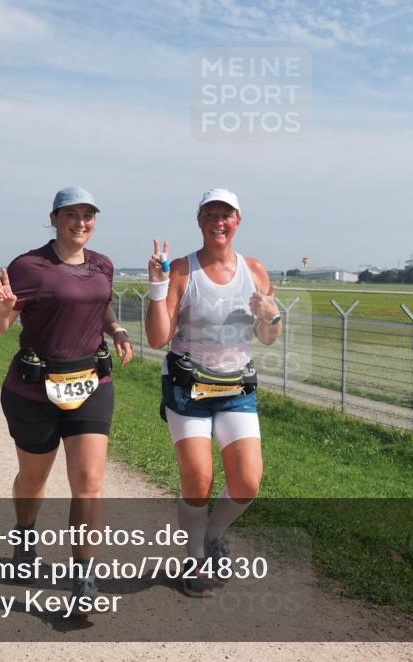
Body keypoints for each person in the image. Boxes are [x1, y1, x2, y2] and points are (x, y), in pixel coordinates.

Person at [0, 186, 132, 613]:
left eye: (88, 215)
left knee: (89, 482)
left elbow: (97, 304)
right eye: (72, 214)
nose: (80, 222)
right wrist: (1, 309)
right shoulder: (28, 266)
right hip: (34, 390)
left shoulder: (102, 264)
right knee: (33, 480)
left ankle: (84, 578)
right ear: (53, 219)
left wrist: (117, 329)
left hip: (91, 384)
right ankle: (25, 533)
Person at [145, 188, 281, 597]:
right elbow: (157, 339)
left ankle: (213, 536)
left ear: (238, 221)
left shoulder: (254, 270)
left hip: (236, 387)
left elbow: (267, 337)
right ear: (199, 220)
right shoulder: (184, 271)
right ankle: (193, 559)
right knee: (199, 478)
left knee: (247, 482)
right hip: (189, 390)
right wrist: (157, 286)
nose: (218, 222)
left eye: (226, 215)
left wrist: (270, 316)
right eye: (210, 214)